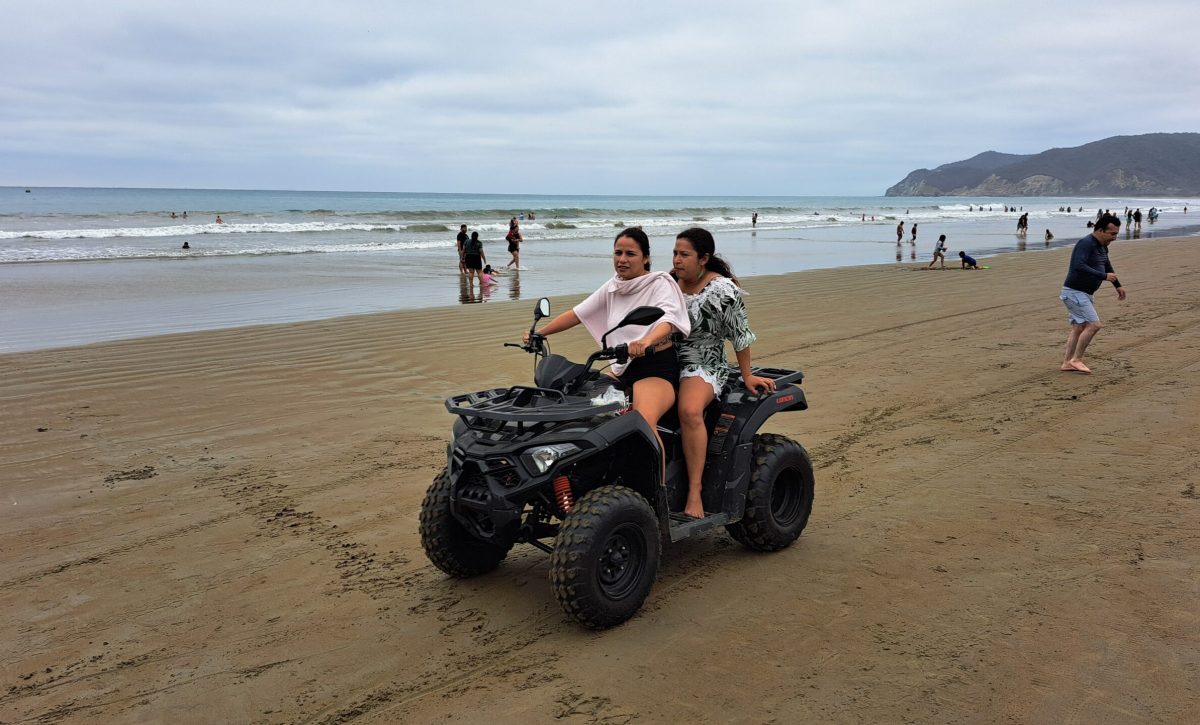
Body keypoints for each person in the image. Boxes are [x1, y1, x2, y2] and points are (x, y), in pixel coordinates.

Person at [526, 228, 690, 476]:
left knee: (642, 421)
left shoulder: (659, 284)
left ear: (645, 257)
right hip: (620, 366)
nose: (622, 259)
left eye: (630, 254)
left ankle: (660, 491)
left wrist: (646, 340)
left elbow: (669, 319)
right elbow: (578, 314)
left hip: (655, 369)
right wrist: (540, 334)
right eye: (618, 252)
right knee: (581, 409)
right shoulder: (613, 286)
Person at [672, 227, 774, 519]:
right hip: (666, 360)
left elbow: (740, 335)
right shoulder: (668, 285)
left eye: (684, 254)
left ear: (703, 259)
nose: (677, 260)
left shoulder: (721, 291)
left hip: (703, 363)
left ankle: (694, 492)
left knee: (690, 411)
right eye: (675, 254)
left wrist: (747, 374)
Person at [1059, 214, 1126, 374]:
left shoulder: (1102, 246)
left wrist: (1117, 285)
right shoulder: (1086, 243)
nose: (1115, 237)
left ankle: (1067, 362)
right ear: (1101, 230)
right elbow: (1078, 265)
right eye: (1112, 233)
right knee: (1094, 325)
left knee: (1079, 327)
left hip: (1084, 293)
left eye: (1116, 233)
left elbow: (1106, 264)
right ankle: (1077, 359)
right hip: (1074, 291)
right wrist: (1103, 276)